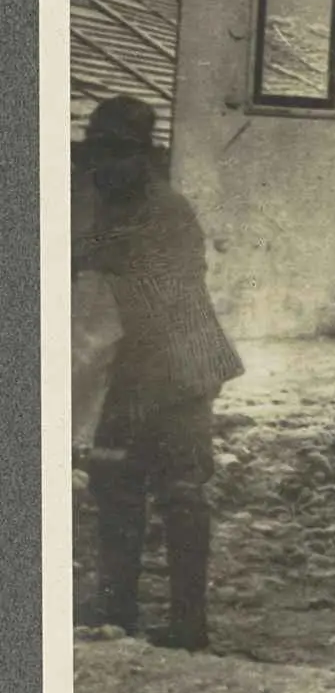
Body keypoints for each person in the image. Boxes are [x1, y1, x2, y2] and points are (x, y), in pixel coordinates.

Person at [73, 96, 244, 651]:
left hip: (182, 365)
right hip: (131, 366)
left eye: (117, 153)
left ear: (143, 157)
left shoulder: (166, 211)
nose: (105, 165)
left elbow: (150, 287)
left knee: (181, 490)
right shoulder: (102, 202)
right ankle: (117, 604)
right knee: (114, 481)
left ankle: (189, 623)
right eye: (98, 153)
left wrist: (90, 255)